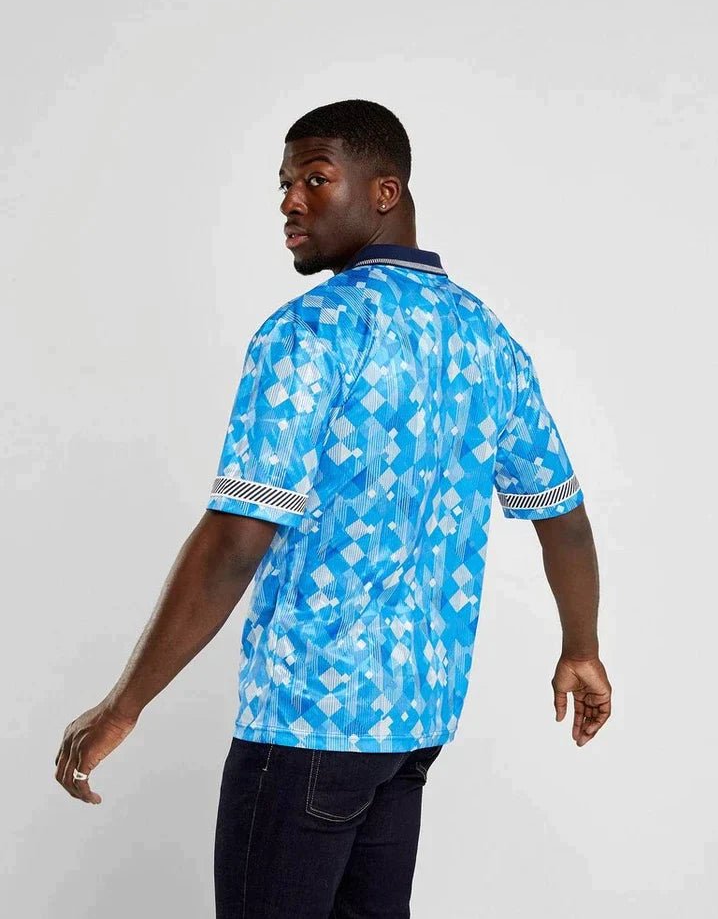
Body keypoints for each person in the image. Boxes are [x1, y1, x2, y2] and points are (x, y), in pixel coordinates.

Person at [54, 99, 612, 917]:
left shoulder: (310, 332)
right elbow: (562, 515)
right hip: (413, 731)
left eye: (315, 179)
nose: (289, 201)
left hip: (306, 727)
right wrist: (581, 645)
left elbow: (238, 537)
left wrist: (122, 704)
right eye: (283, 184)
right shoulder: (486, 341)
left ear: (386, 191)